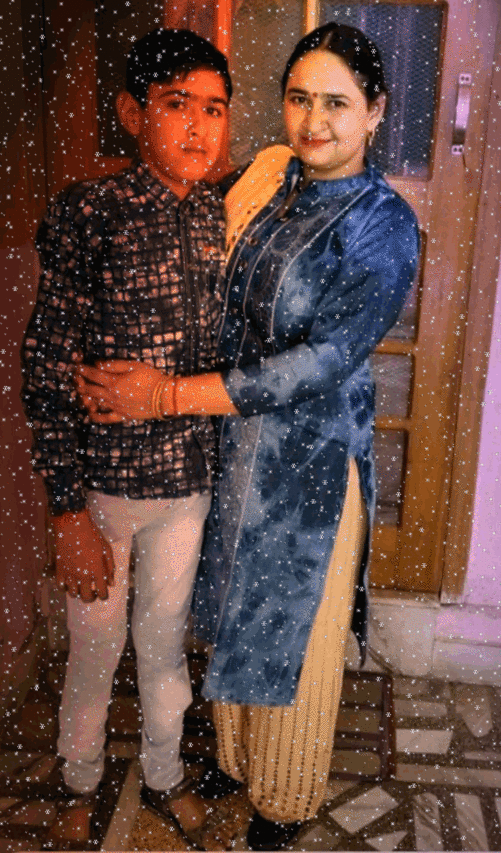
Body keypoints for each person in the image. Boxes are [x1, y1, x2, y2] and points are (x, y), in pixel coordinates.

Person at [77, 22, 420, 851]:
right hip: (235, 449)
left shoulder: (383, 225)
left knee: (292, 634)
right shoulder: (272, 177)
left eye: (336, 103)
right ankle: (236, 759)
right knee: (235, 609)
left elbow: (323, 360)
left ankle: (285, 796)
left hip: (309, 463)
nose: (314, 122)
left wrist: (166, 394)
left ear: (375, 110)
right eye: (299, 99)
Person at [21, 28, 236, 850]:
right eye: (177, 104)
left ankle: (165, 771)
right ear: (131, 112)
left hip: (188, 483)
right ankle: (78, 776)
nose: (198, 126)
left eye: (214, 108)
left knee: (163, 640)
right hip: (103, 487)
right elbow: (47, 366)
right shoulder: (90, 213)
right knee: (94, 644)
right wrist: (67, 512)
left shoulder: (222, 216)